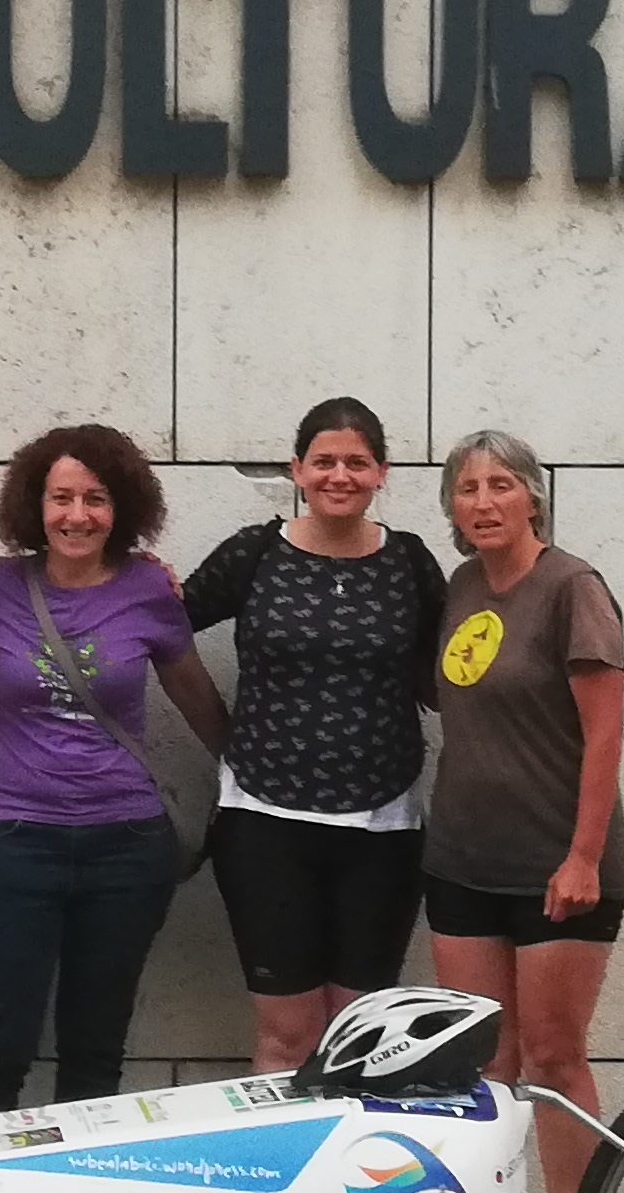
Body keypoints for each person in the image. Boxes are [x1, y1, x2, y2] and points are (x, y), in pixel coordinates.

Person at [0, 423, 228, 1116]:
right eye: (62, 498)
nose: (77, 516)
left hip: (126, 848)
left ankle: (83, 1186)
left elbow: (203, 708)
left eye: (96, 498)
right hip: (13, 845)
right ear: (35, 505)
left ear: (122, 508)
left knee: (95, 1050)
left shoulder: (149, 591)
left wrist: (258, 790)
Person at [183, 399, 446, 1075]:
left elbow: (451, 670)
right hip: (265, 824)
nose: (340, 475)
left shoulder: (410, 563)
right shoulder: (253, 552)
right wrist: (220, 732)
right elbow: (162, 626)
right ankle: (285, 1146)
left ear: (382, 472)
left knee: (362, 1036)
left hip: (383, 827)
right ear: (297, 469)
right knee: (288, 1034)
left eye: (357, 462)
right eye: (324, 461)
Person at [422, 429, 624, 1193]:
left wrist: (583, 856)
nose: (483, 502)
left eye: (500, 485)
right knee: (483, 1064)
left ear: (533, 497)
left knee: (552, 1061)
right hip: (463, 863)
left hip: (557, 868)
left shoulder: (573, 588)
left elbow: (605, 734)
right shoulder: (462, 587)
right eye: (467, 488)